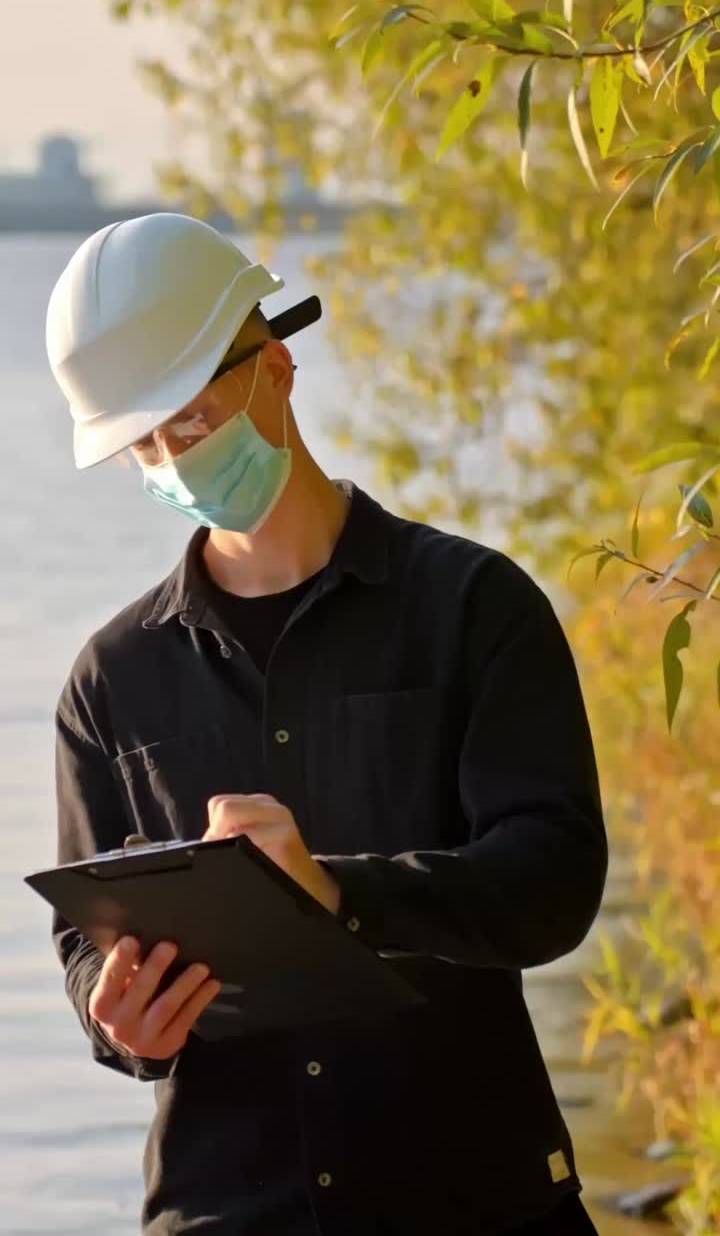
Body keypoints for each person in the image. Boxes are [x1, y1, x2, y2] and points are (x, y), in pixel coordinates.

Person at [45, 212, 607, 1236]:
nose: (177, 458)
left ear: (278, 368)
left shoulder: (474, 606)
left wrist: (341, 893)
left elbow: (556, 881)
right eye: (147, 443)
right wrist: (112, 1015)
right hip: (224, 1212)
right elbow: (86, 943)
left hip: (477, 1203)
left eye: (196, 418)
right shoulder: (109, 681)